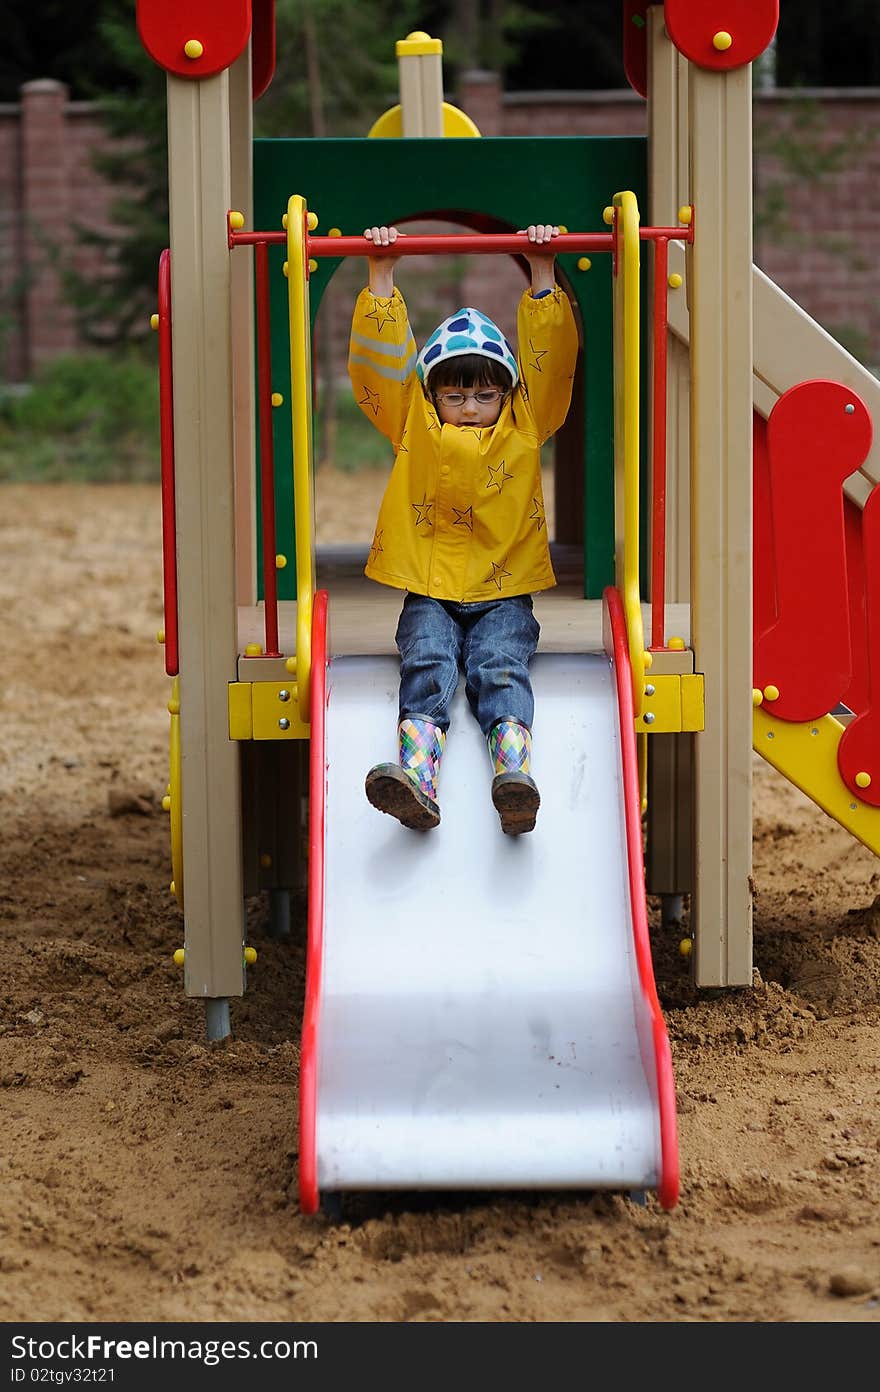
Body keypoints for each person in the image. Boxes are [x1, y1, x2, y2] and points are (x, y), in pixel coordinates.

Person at [348, 221, 578, 835]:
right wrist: (381, 278)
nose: (471, 408)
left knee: (500, 665)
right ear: (432, 395)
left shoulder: (526, 426)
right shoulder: (413, 426)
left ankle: (513, 778)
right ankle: (416, 782)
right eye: (455, 396)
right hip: (430, 585)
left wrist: (542, 277)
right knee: (425, 660)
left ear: (506, 393)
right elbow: (380, 375)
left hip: (504, 589)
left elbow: (549, 367)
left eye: (483, 395)